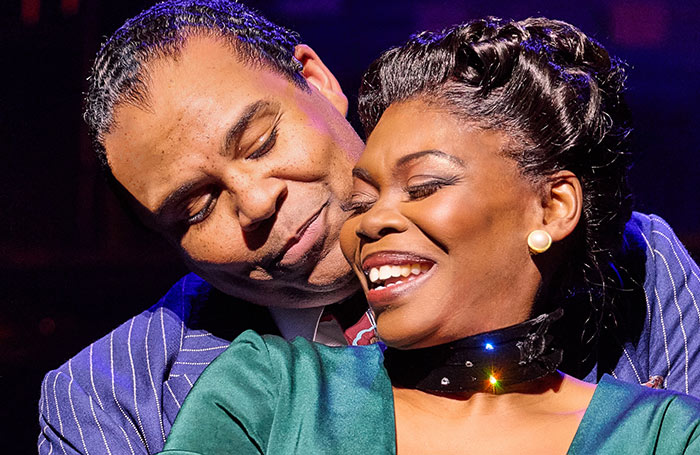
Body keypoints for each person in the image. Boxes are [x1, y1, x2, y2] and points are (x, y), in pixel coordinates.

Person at [38, 2, 700, 454]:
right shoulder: (113, 398)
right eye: (196, 208)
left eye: (261, 141)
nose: (256, 201)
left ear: (318, 81)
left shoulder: (641, 265)